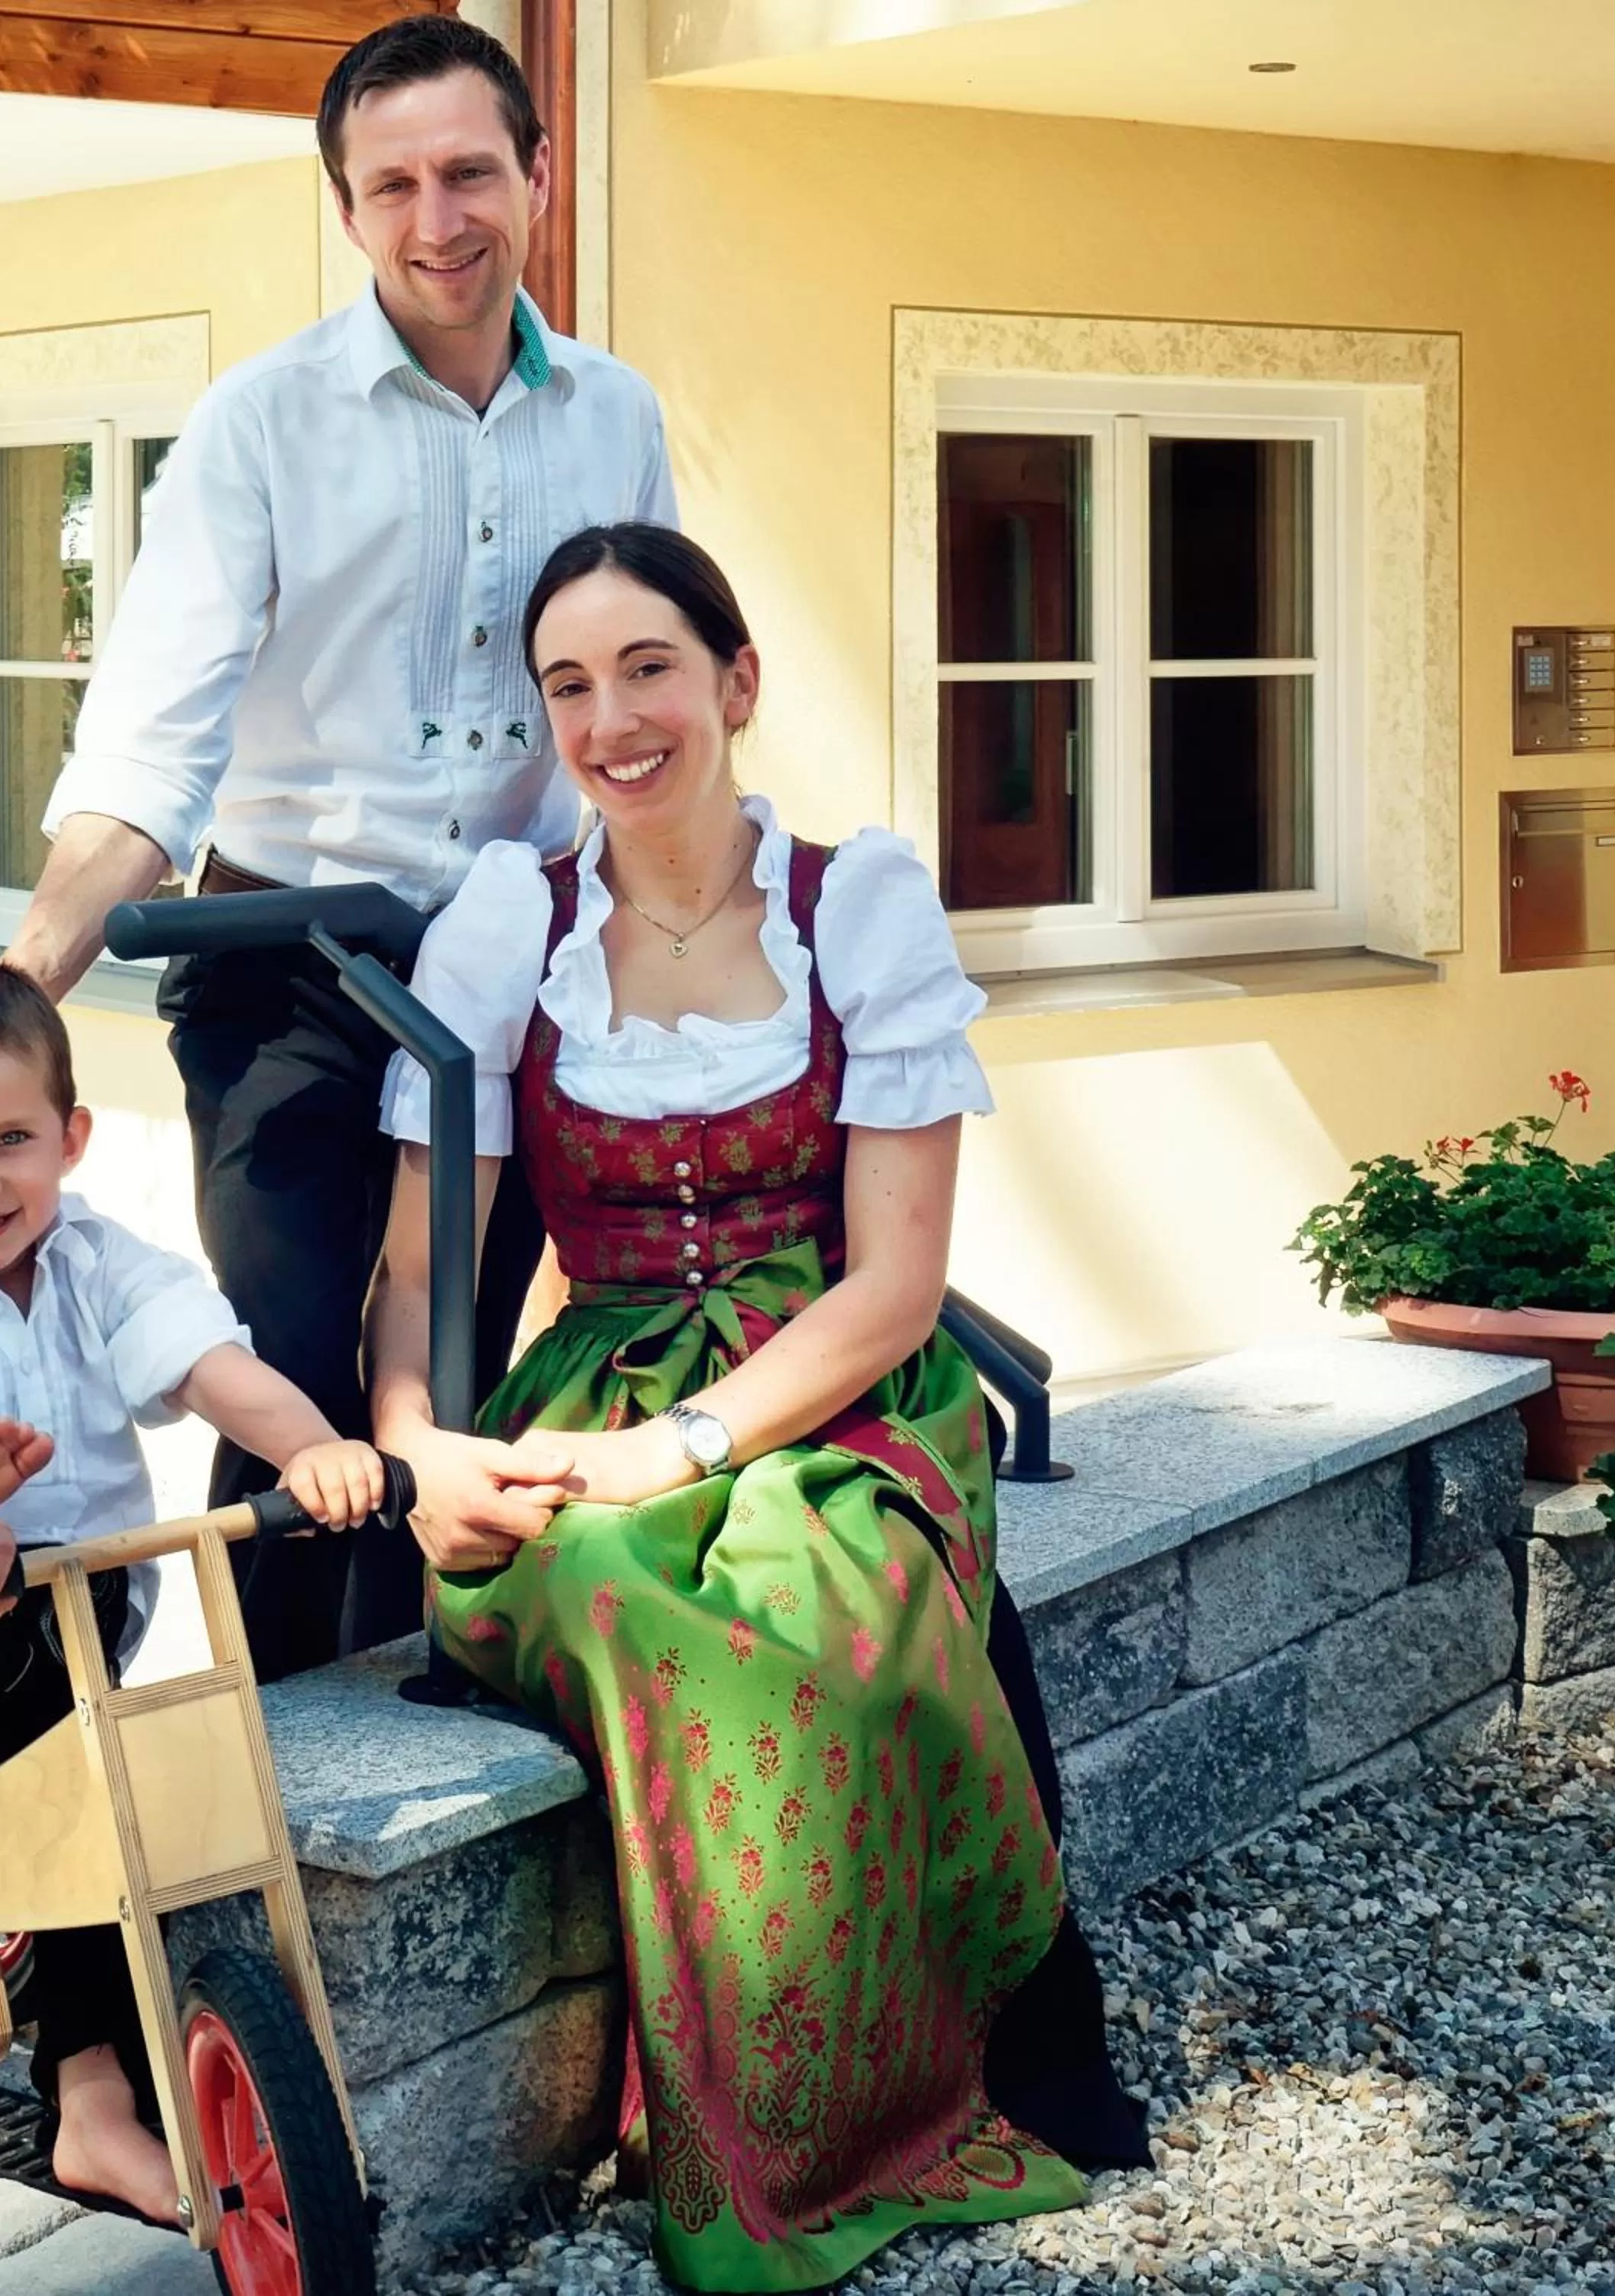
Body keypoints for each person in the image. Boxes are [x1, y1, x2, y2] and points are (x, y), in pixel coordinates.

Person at [367, 526, 1148, 2292]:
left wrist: (683, 1446)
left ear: (735, 683)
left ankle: (877, 2096)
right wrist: (420, 1452)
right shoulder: (512, 925)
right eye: (569, 685)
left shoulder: (851, 905)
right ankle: (763, 2121)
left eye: (648, 667)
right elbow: (416, 1274)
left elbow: (896, 1286)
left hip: (837, 1383)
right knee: (615, 1577)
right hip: (593, 1373)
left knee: (817, 1596)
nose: (610, 720)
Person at [4, 13, 677, 1681]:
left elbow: (639, 698)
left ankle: (433, 1717)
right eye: (394, 186)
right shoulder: (260, 424)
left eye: (469, 172)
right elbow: (152, 739)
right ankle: (288, 1759)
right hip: (287, 960)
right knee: (295, 1375)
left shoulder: (617, 415)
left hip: (504, 972)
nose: (437, 220)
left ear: (536, 174)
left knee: (454, 1373)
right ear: (346, 205)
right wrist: (23, 987)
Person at [0, 955, 383, 2224]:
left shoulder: (101, 1261)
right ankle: (90, 2108)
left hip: (54, 1618)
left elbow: (207, 1367)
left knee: (95, 1758)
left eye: (11, 1142)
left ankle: (185, 2047)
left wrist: (313, 1447)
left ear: (72, 1139)